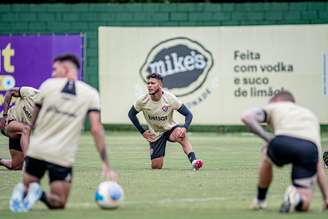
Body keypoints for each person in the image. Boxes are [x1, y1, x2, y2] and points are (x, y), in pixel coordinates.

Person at [9, 54, 117, 212]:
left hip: (37, 151)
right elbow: (96, 129)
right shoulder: (91, 94)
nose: (52, 73)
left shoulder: (47, 85)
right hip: (62, 156)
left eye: (55, 69)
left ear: (66, 69)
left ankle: (30, 190)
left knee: (27, 187)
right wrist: (106, 164)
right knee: (59, 202)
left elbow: (33, 121)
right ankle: (39, 194)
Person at [241, 90, 328, 213]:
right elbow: (318, 165)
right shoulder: (310, 114)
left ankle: (260, 200)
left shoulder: (275, 106)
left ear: (278, 100)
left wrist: (266, 136)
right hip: (309, 148)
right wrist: (326, 197)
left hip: (283, 141)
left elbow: (246, 117)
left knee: (266, 153)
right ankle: (296, 198)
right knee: (305, 202)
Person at [128, 73, 203, 170]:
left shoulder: (170, 98)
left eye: (153, 83)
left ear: (160, 85)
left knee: (181, 135)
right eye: (148, 83)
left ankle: (194, 161)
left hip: (170, 129)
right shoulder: (142, 100)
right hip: (155, 134)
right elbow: (131, 114)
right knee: (156, 166)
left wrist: (185, 128)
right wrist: (143, 132)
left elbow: (189, 114)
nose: (149, 85)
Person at [0, 86, 39, 170]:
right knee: (26, 129)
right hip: (8, 121)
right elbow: (10, 92)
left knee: (16, 166)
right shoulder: (31, 93)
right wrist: (4, 116)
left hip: (21, 135)